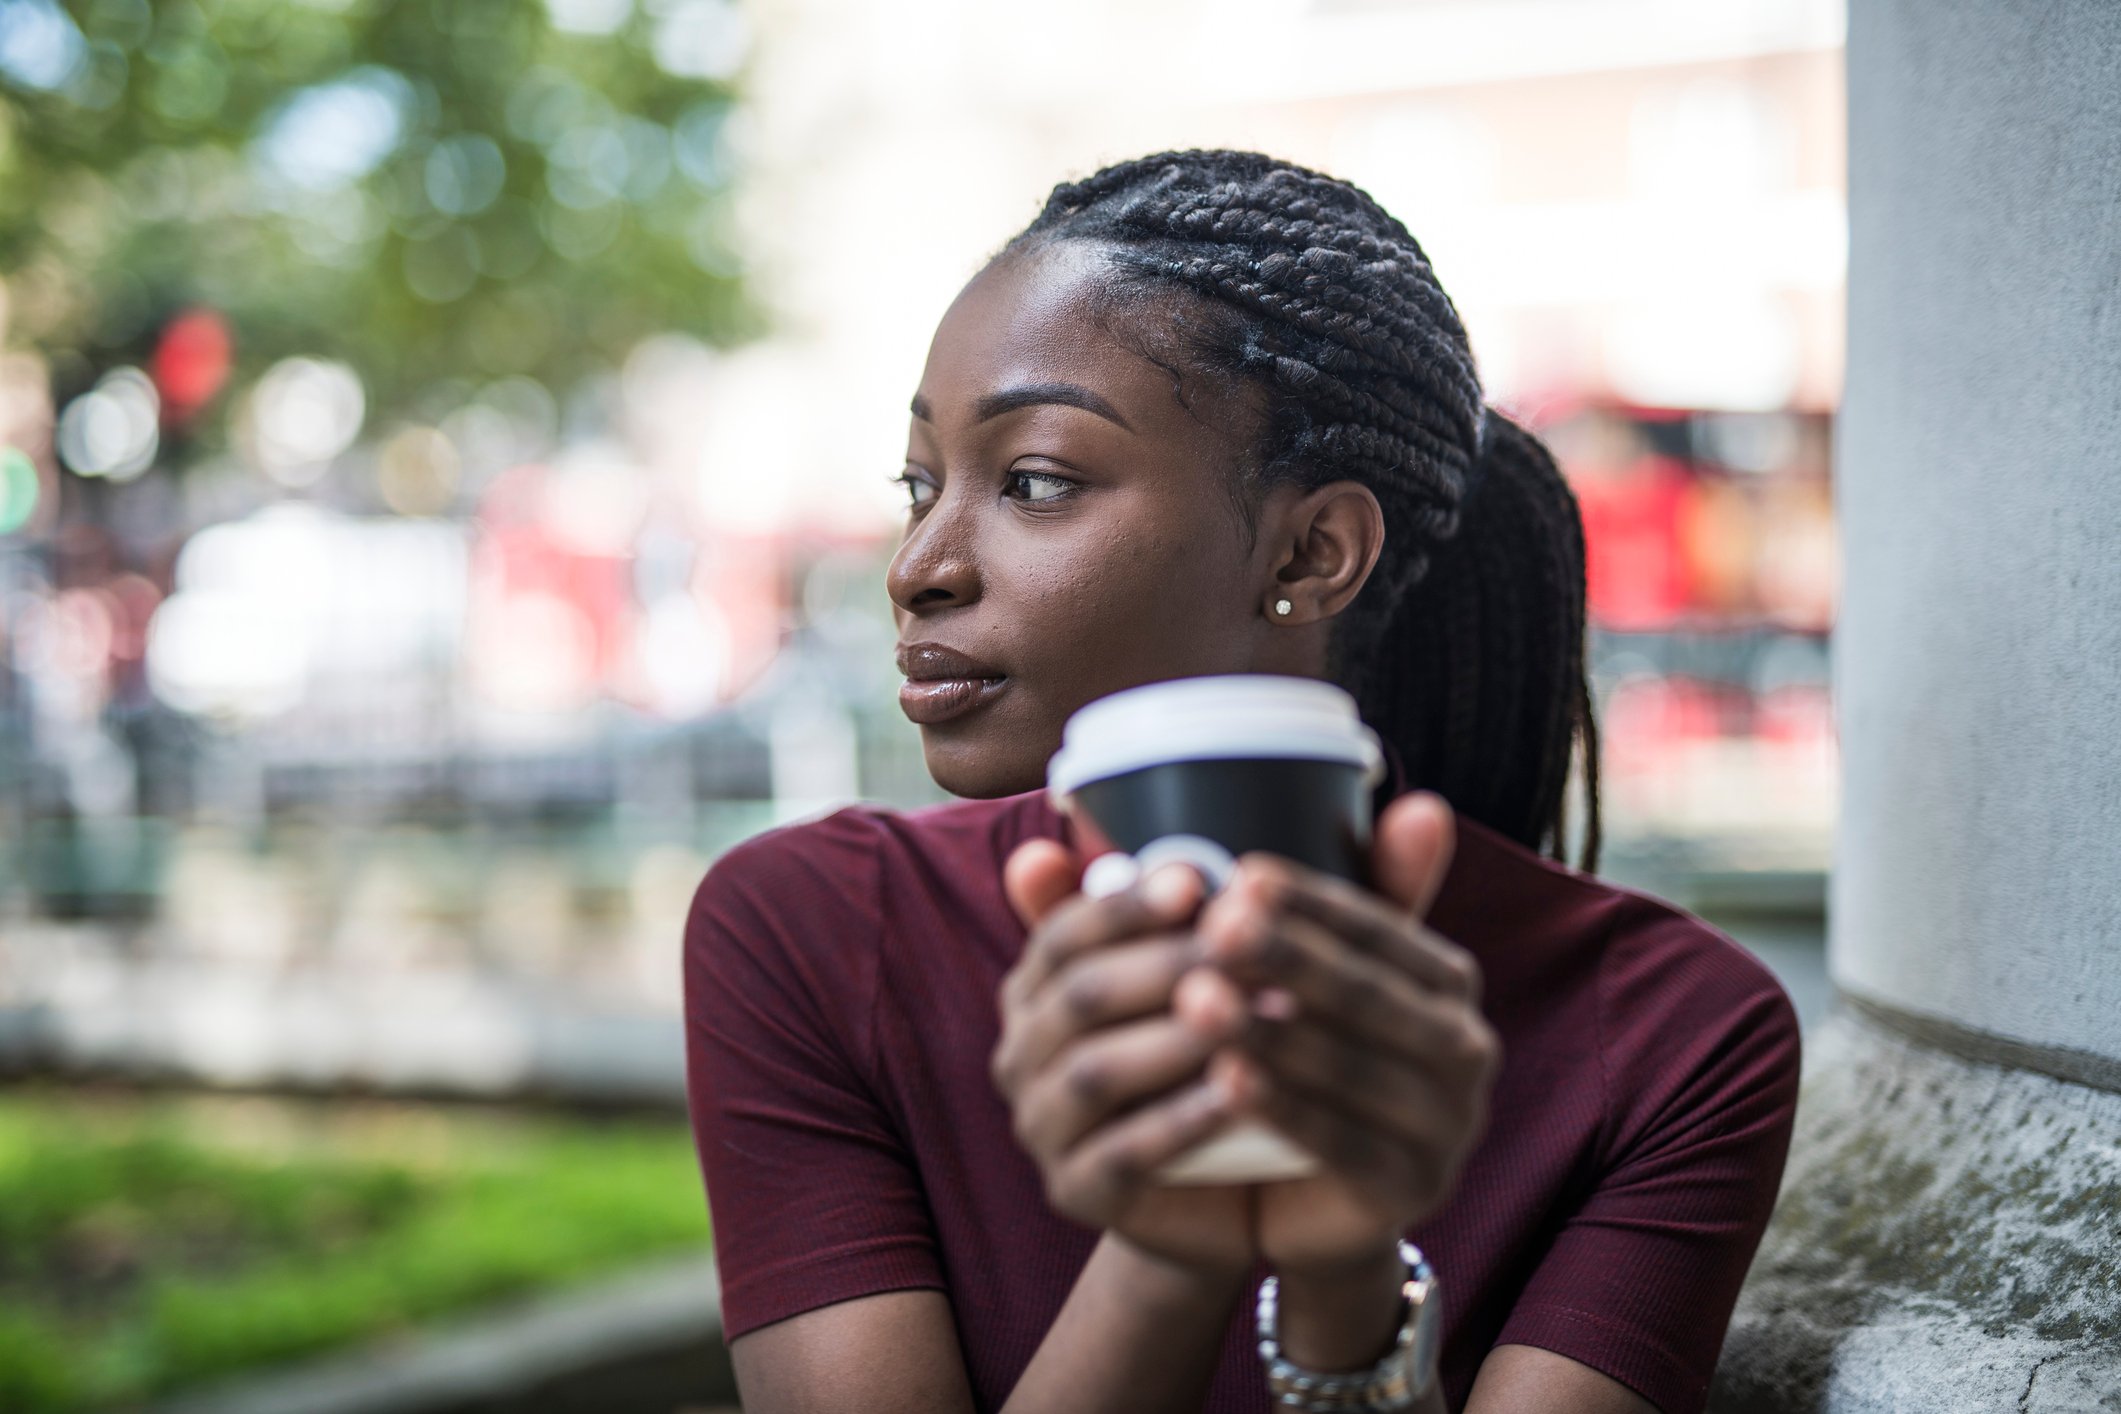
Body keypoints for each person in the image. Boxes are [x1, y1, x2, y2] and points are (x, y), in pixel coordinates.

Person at [683, 150, 1800, 1414]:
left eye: (1034, 480)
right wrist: (1170, 1244)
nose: (920, 566)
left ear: (1313, 552)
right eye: (920, 483)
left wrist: (1343, 1287)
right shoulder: (807, 930)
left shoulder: (1682, 1040)